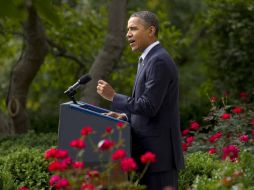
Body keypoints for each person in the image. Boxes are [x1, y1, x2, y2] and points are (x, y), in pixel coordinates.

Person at [96, 11, 184, 190]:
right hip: (148, 156)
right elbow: (148, 106)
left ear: (151, 31)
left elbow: (149, 106)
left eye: (134, 29)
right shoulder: (147, 59)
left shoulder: (158, 61)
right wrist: (126, 116)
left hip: (159, 159)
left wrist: (114, 97)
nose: (128, 34)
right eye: (128, 29)